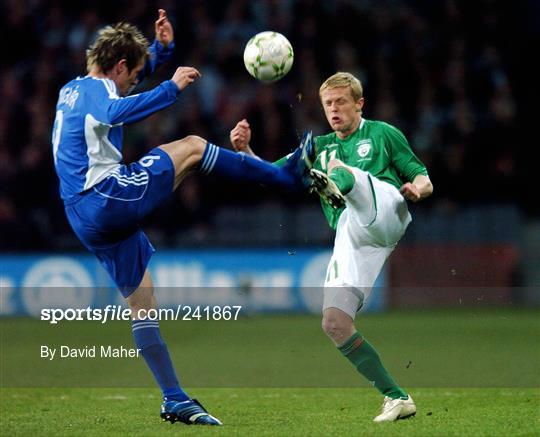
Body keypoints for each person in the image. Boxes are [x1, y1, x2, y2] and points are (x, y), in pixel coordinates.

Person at [52, 10, 311, 426]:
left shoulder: (74, 88)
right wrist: (169, 89)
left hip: (82, 214)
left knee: (143, 303)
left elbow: (126, 76)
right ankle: (285, 175)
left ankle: (173, 398)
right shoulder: (99, 91)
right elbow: (115, 111)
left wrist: (160, 51)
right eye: (134, 76)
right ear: (119, 67)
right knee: (191, 146)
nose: (136, 81)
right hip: (105, 195)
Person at [230, 72, 433, 422]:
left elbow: (422, 176)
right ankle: (396, 397)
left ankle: (333, 182)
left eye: (341, 101)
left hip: (386, 206)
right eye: (328, 103)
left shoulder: (382, 134)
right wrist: (245, 151)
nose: (334, 109)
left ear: (359, 103)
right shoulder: (320, 145)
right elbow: (267, 175)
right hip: (352, 232)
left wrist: (416, 189)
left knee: (342, 170)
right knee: (334, 323)